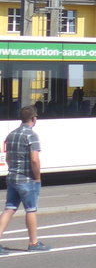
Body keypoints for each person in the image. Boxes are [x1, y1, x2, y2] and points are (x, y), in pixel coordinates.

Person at [0, 106, 50, 252]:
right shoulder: (31, 135)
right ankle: (33, 243)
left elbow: (8, 157)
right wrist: (38, 178)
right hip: (27, 179)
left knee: (9, 209)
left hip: (12, 177)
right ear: (34, 119)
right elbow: (34, 160)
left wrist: (14, 170)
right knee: (31, 210)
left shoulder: (11, 134)